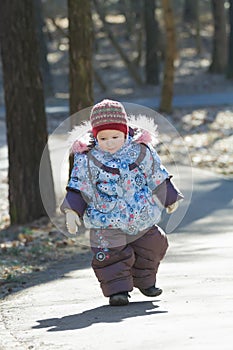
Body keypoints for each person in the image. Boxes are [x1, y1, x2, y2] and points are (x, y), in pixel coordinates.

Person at [61, 99, 183, 306]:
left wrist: (169, 197)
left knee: (154, 245)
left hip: (140, 215)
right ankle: (118, 290)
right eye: (103, 137)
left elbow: (156, 174)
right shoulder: (88, 158)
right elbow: (79, 186)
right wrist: (72, 212)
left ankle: (144, 280)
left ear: (125, 132)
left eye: (115, 136)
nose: (109, 142)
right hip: (105, 220)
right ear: (95, 136)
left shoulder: (141, 151)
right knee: (110, 255)